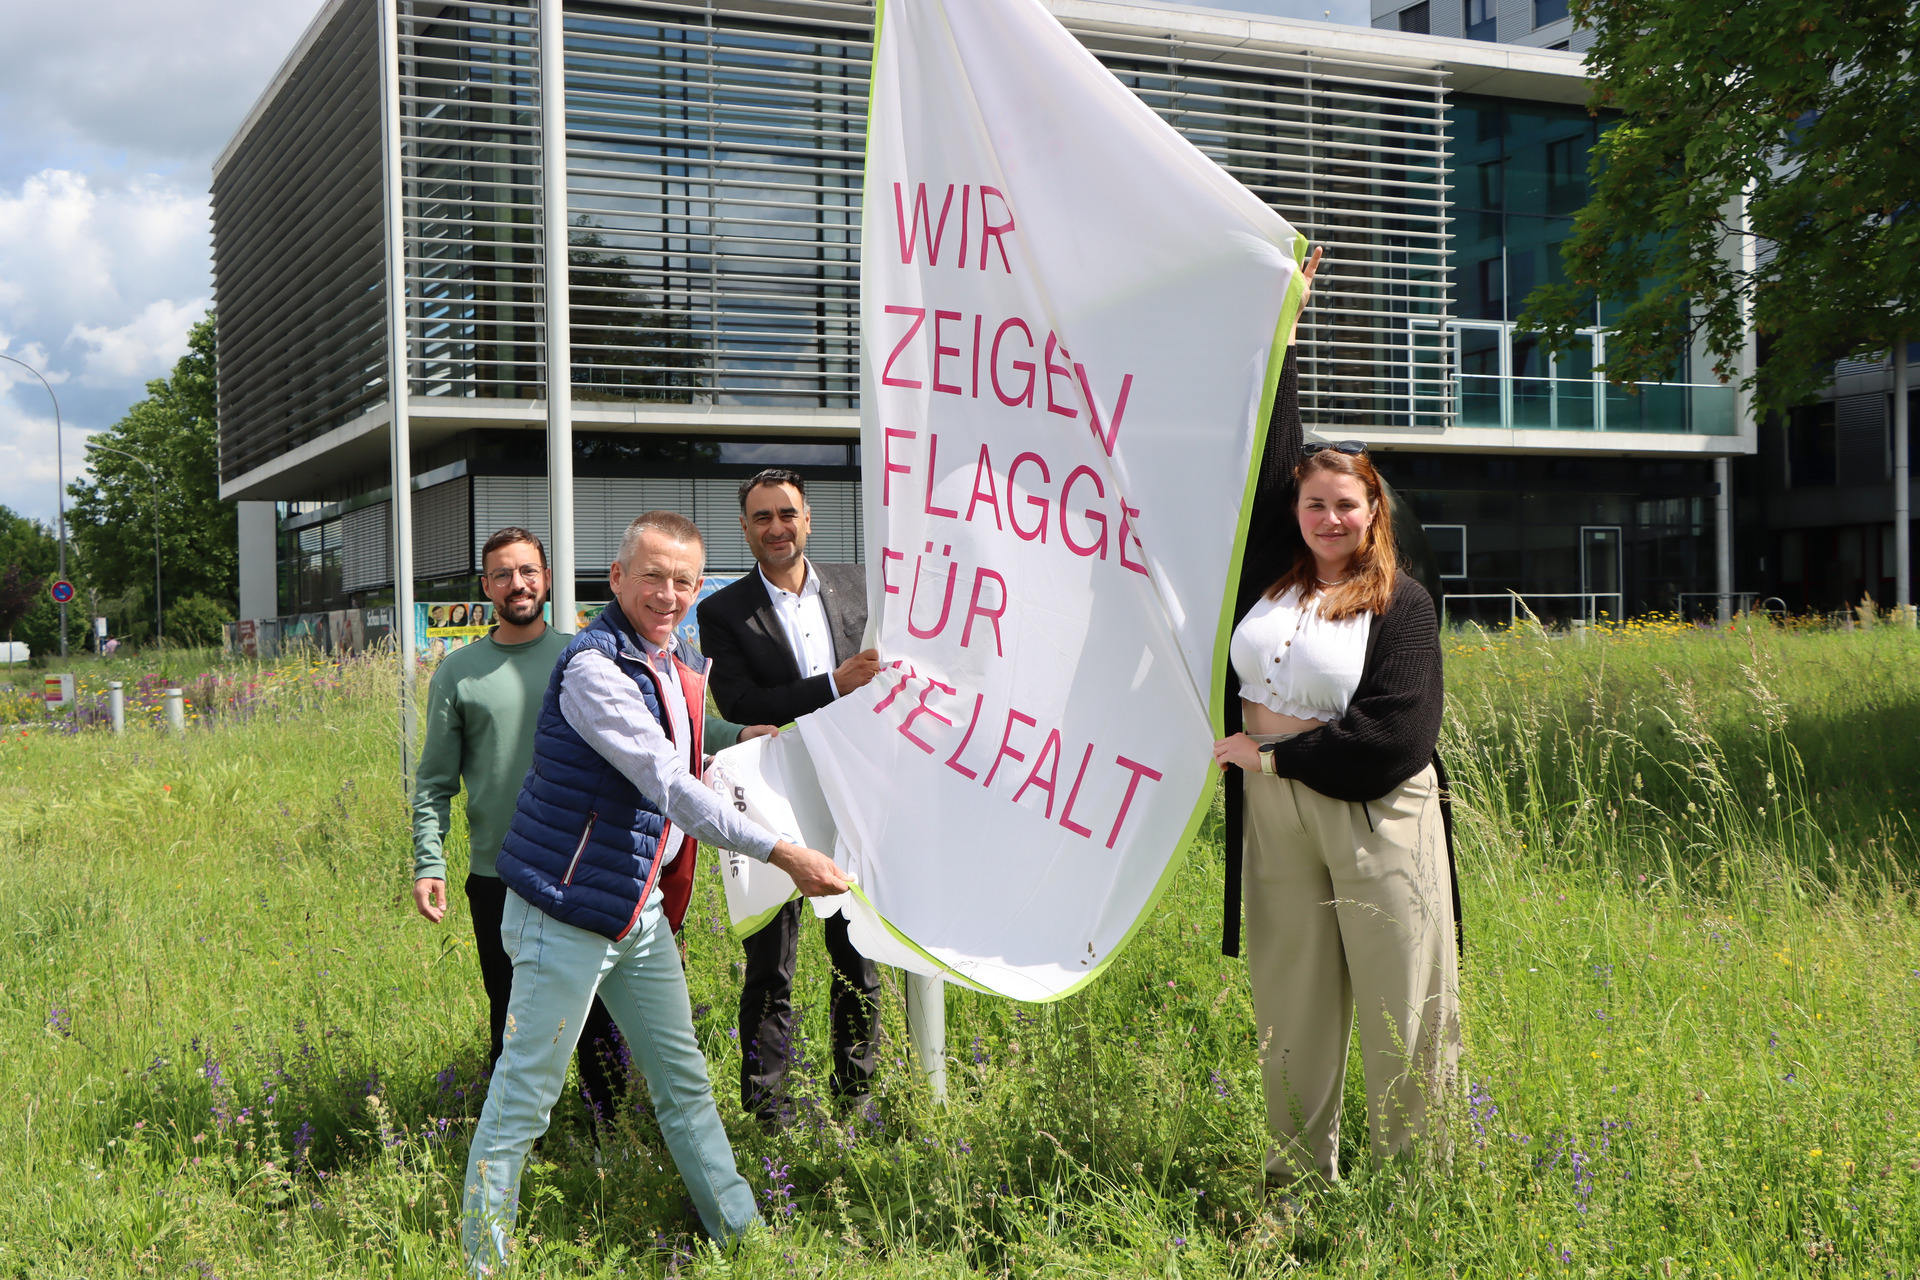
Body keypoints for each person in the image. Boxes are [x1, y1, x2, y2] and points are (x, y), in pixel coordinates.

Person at [462, 511, 849, 1265]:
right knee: (524, 1100)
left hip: (634, 915)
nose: (667, 594)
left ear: (698, 588)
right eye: (652, 576)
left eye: (683, 581)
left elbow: (690, 746)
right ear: (616, 578)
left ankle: (742, 1238)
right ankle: (483, 1256)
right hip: (565, 912)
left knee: (684, 1084)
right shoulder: (593, 669)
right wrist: (782, 853)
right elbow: (667, 781)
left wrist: (745, 743)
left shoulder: (674, 662)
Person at [1212, 248, 1459, 1212]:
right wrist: (1285, 326)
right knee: (1291, 1007)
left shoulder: (1403, 606)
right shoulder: (1270, 580)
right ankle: (1295, 1187)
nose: (1326, 516)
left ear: (1372, 511)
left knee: (1405, 1006)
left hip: (1376, 814)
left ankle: (1413, 1195)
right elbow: (1274, 449)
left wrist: (1273, 754)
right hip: (1275, 816)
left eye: (1344, 503)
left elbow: (1394, 738)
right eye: (1313, 503)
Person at [413, 527, 642, 1126]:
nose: (517, 584)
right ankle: (516, 1143)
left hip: (584, 868)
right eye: (503, 574)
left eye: (528, 571)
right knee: (512, 1014)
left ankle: (611, 1136)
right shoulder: (458, 674)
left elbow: (657, 732)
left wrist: (738, 734)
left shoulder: (587, 658)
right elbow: (434, 782)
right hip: (499, 877)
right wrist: (429, 862)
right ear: (486, 587)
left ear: (547, 579)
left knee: (598, 1015)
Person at [695, 468, 884, 1127]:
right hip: (774, 798)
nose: (776, 527)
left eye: (786, 514)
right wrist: (833, 686)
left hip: (855, 796)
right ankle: (768, 1112)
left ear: (808, 519)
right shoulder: (721, 612)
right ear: (745, 528)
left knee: (858, 955)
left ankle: (857, 1100)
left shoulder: (861, 587)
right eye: (762, 517)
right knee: (771, 966)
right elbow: (739, 704)